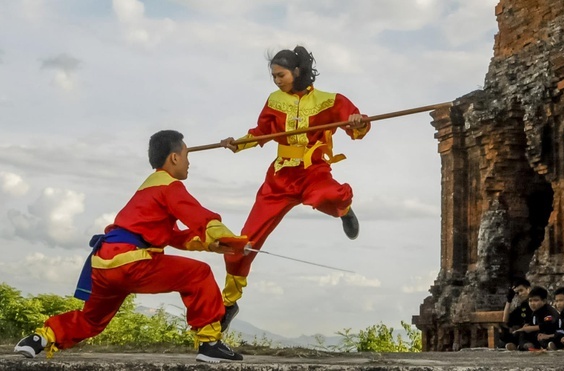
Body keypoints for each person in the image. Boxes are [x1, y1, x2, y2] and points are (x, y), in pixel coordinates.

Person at [14, 130, 246, 363]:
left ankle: (39, 338)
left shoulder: (147, 189)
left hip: (105, 263)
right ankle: (209, 343)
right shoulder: (170, 186)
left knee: (92, 320)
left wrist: (211, 244)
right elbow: (198, 217)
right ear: (174, 158)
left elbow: (173, 236)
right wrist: (228, 238)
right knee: (199, 274)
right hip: (130, 261)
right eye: (186, 155)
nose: (189, 162)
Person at [217, 45, 371, 331]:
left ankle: (344, 210)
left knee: (329, 194)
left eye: (280, 75)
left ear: (297, 72)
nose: (276, 80)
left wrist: (357, 122)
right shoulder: (274, 100)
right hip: (280, 177)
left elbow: (357, 127)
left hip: (313, 170)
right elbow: (262, 132)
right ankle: (229, 302)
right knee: (244, 242)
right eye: (273, 76)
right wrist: (237, 143)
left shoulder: (330, 100)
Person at [511, 286, 558, 351]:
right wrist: (522, 329)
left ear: (544, 301)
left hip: (550, 334)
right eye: (530, 301)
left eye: (536, 300)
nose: (532, 304)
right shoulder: (535, 312)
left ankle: (549, 346)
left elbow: (548, 325)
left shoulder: (549, 311)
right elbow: (530, 324)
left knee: (542, 337)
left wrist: (531, 328)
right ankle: (524, 345)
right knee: (518, 334)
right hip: (537, 336)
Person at [500, 278, 532, 350]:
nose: (519, 294)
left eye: (521, 290)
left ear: (528, 289)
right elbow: (505, 320)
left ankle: (523, 346)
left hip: (532, 332)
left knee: (523, 335)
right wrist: (509, 300)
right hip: (521, 333)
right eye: (517, 293)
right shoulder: (522, 306)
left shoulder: (535, 303)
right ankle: (515, 345)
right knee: (504, 336)